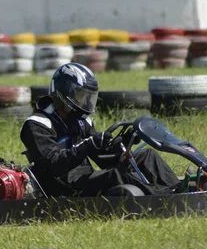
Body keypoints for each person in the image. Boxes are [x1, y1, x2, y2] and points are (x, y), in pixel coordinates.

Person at [20, 62, 180, 197]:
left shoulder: (81, 122)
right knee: (115, 175)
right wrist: (88, 145)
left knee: (147, 156)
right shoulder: (37, 125)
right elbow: (54, 165)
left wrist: (122, 143)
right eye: (81, 96)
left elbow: (103, 158)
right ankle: (163, 197)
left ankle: (178, 189)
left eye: (88, 97)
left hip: (84, 178)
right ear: (64, 94)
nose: (85, 101)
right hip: (63, 187)